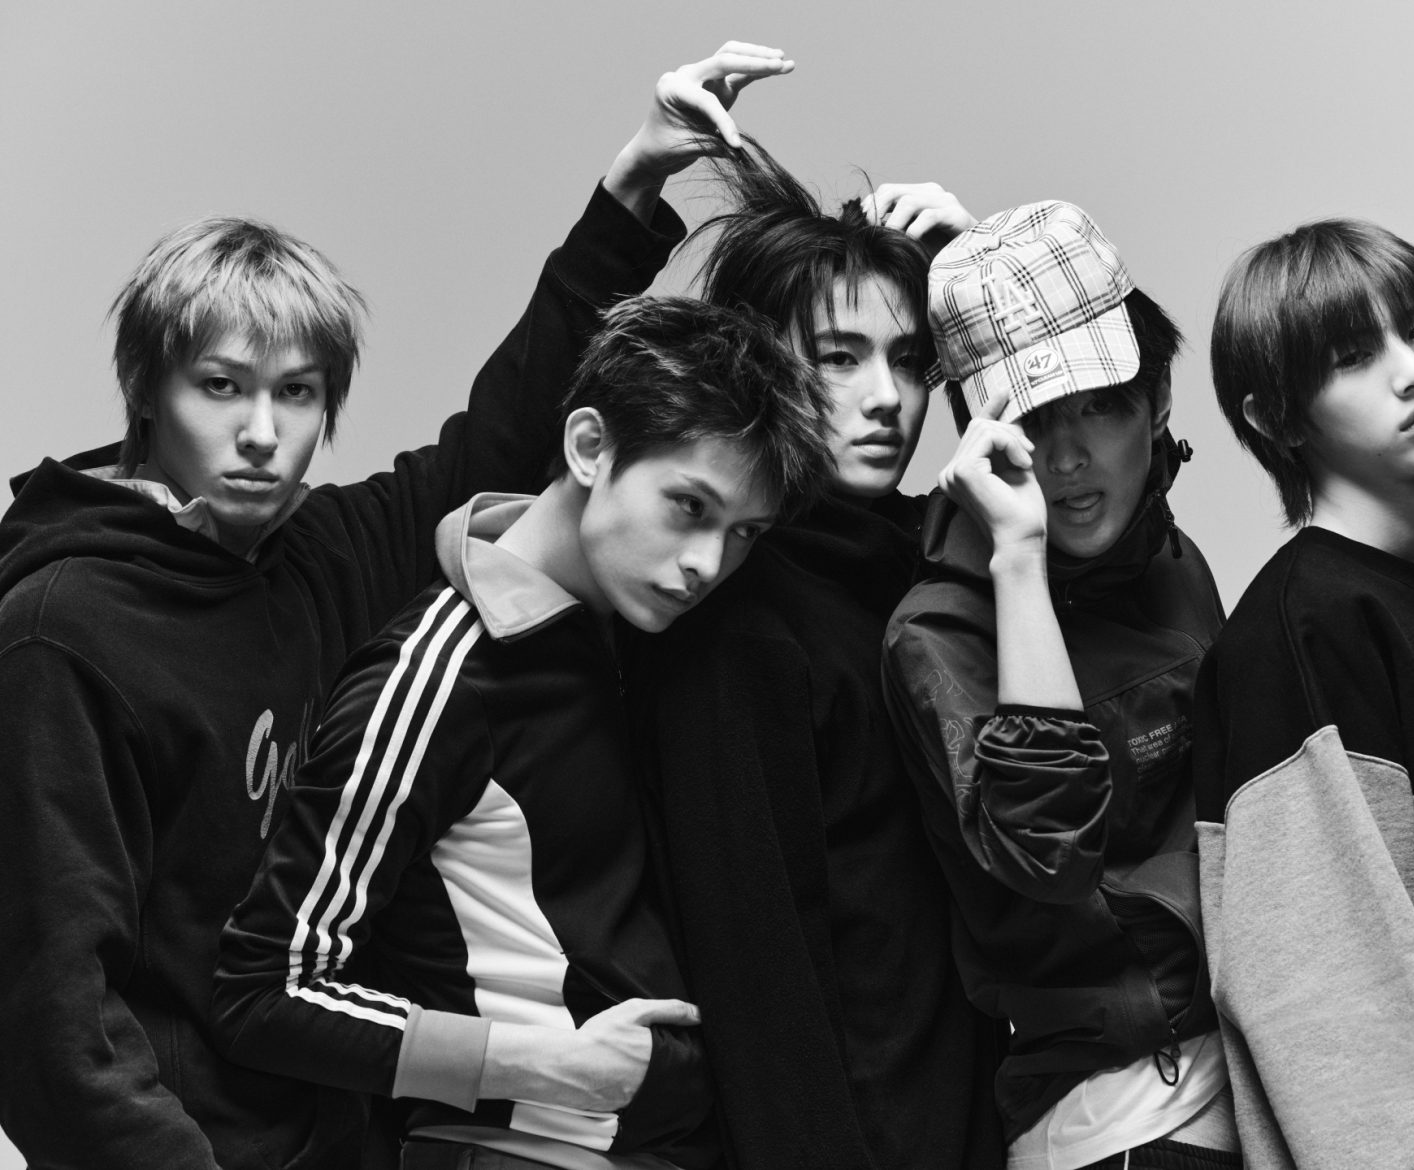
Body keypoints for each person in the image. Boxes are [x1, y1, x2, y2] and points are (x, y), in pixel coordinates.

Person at [0, 42, 791, 1170]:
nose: (262, 433)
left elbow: (507, 433)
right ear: (146, 394)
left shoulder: (309, 555)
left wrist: (632, 188)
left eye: (297, 393)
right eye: (220, 387)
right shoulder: (60, 630)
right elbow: (52, 1018)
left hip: (351, 1134)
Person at [212, 295, 832, 1170]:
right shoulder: (436, 677)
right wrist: (544, 1065)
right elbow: (263, 991)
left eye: (742, 535)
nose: (706, 563)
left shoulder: (624, 637)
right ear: (589, 447)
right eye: (689, 507)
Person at [618, 142, 1008, 1170]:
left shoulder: (928, 567)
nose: (888, 398)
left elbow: (1096, 491)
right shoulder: (739, 620)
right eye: (840, 357)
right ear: (759, 366)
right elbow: (758, 983)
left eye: (913, 361)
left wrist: (980, 272)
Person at [1193, 219, 1414, 1168]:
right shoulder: (1300, 629)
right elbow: (1335, 1010)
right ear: (1276, 418)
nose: (1413, 371)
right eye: (1354, 356)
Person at [882, 201, 1237, 1170]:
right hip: (1125, 1120)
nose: (1070, 455)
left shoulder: (1170, 560)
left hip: (1251, 1078)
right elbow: (1048, 858)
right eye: (1034, 418)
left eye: (1100, 406)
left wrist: (991, 270)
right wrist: (1018, 559)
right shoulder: (940, 630)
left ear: (1157, 402)